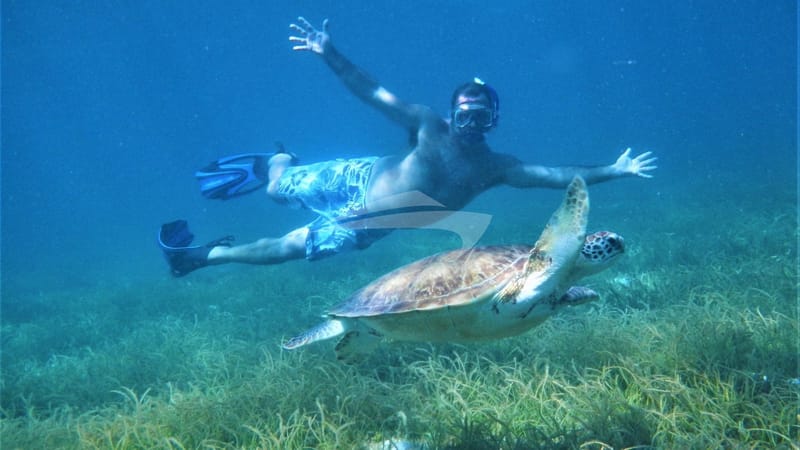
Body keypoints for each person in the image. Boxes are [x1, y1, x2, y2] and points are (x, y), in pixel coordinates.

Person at [158, 17, 657, 277]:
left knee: (288, 249)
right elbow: (371, 91)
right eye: (464, 111)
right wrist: (329, 53)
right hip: (357, 176)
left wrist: (615, 168)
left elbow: (554, 174)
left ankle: (203, 258)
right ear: (451, 110)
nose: (471, 120)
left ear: (494, 120)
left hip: (369, 224)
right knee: (277, 191)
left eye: (481, 114)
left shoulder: (497, 167)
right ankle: (277, 161)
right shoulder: (425, 123)